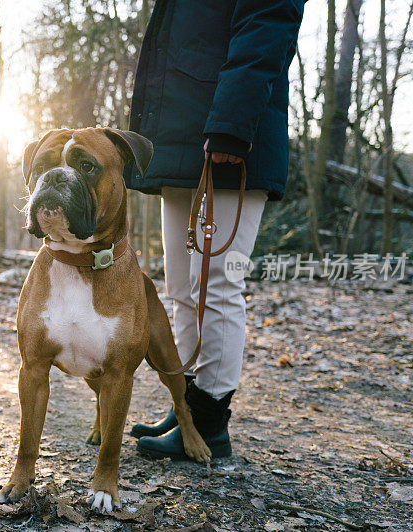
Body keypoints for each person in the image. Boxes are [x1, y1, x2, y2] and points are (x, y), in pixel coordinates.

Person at [124, 0, 305, 459]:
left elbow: (267, 26)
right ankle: (185, 408)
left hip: (232, 137)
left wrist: (230, 125)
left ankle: (209, 422)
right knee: (183, 287)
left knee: (219, 283)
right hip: (182, 138)